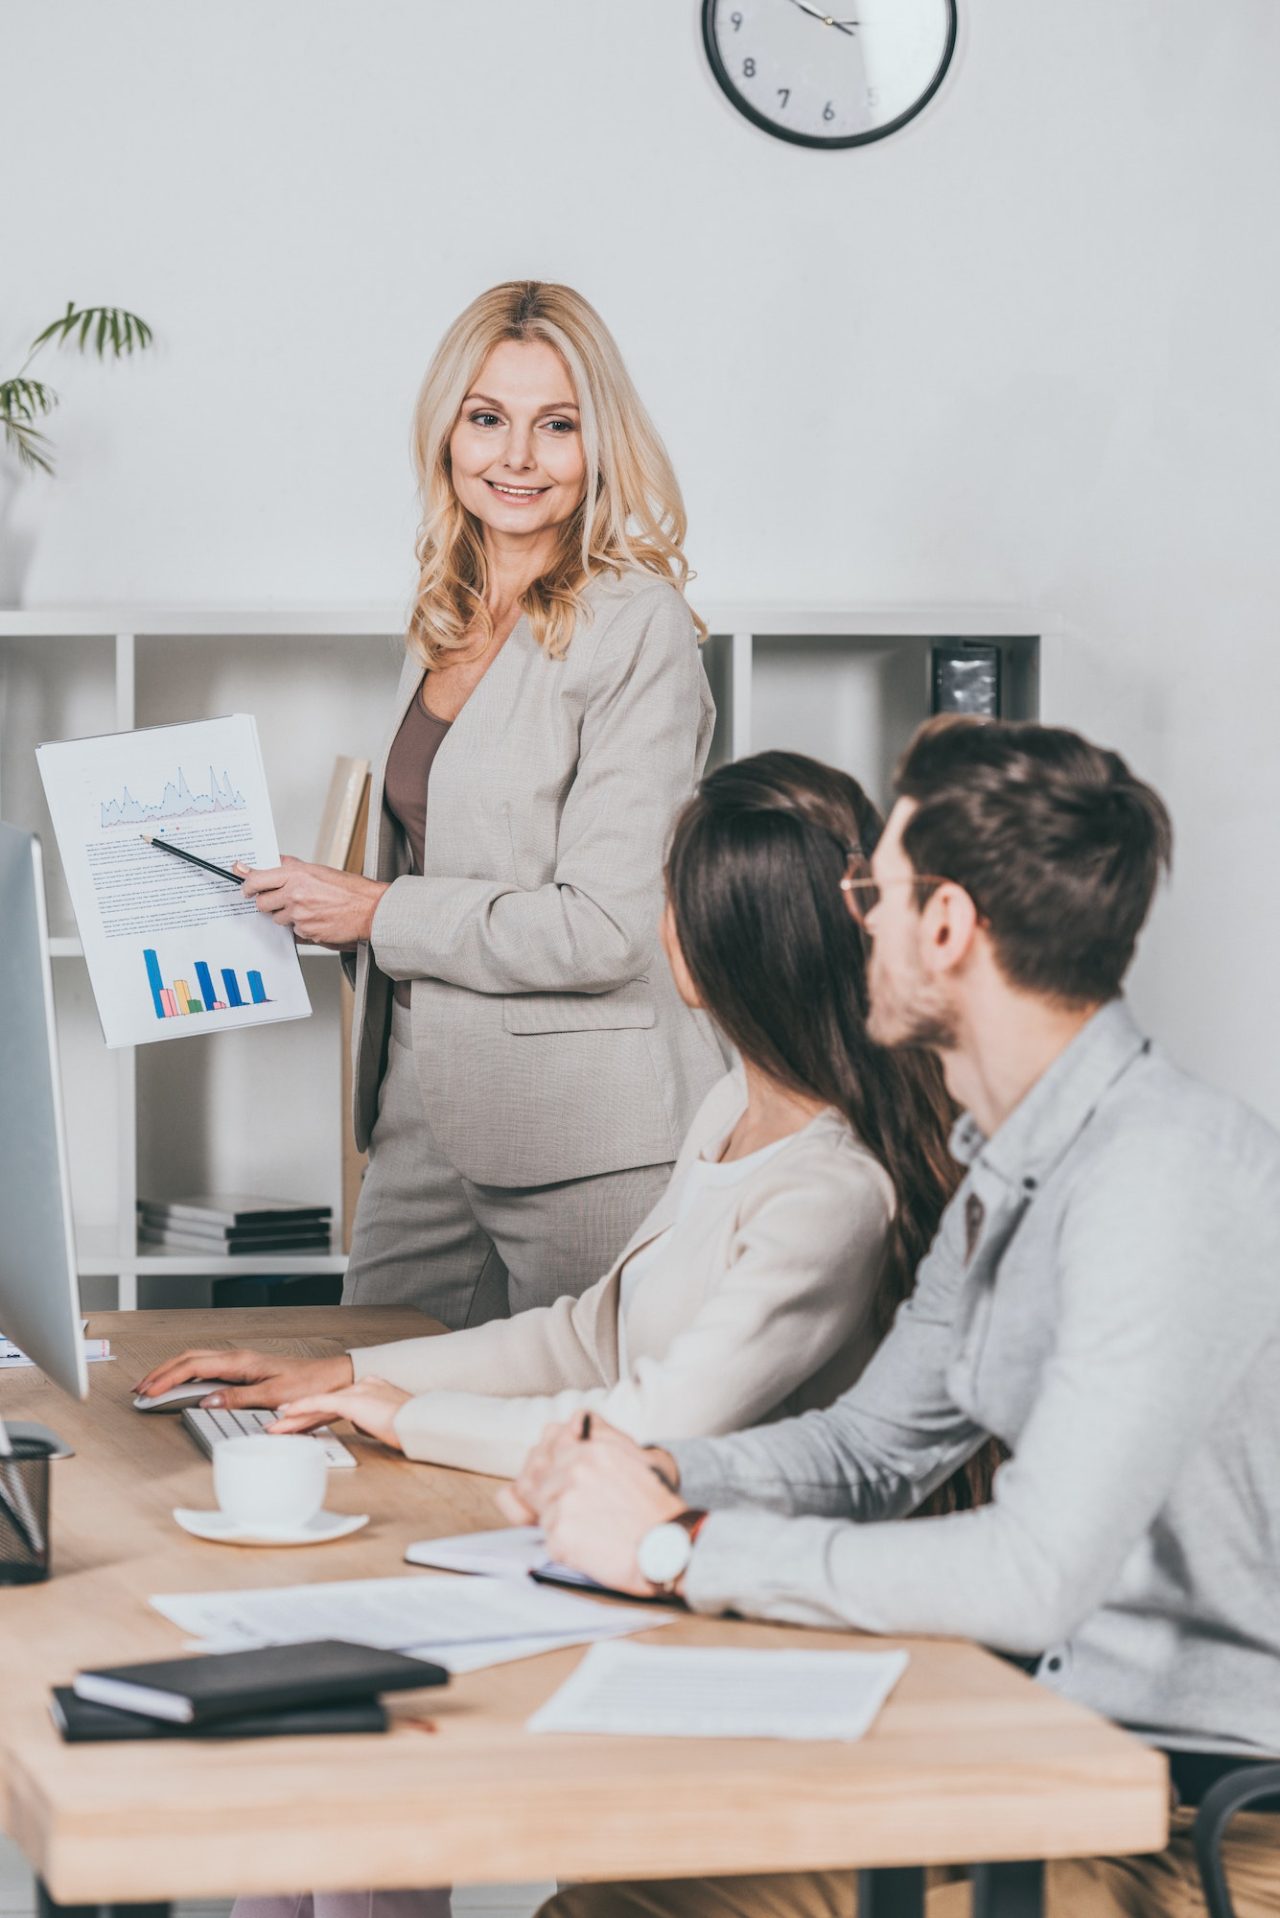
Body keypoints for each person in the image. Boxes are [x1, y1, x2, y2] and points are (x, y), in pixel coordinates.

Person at [507, 716, 1280, 1918]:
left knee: (640, 1900)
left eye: (874, 887)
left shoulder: (1157, 1179)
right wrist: (657, 1466)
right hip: (1050, 1759)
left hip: (1198, 1824)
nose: (849, 918)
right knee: (620, 1879)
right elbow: (868, 1450)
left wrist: (674, 1548)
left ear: (946, 927)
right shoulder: (1012, 1169)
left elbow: (1030, 1574)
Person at [138, 752, 987, 1502]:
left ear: (708, 944)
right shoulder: (733, 1106)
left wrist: (412, 1419)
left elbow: (656, 1422)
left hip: (712, 1554)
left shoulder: (828, 1191)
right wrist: (346, 1373)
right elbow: (595, 1338)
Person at [229, 280, 724, 1326]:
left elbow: (606, 926)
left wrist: (375, 913)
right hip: (419, 1104)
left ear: (600, 445)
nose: (516, 458)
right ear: (445, 431)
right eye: (487, 418)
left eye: (556, 426)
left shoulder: (640, 628)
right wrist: (319, 902)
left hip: (585, 1131)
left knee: (583, 1442)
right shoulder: (445, 614)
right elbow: (440, 853)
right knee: (364, 1413)